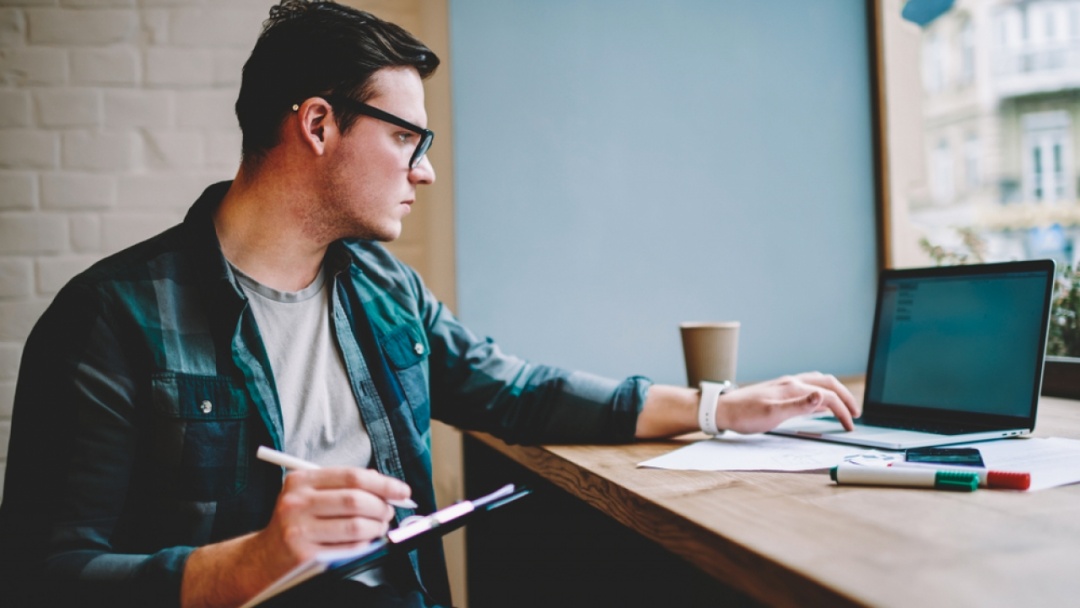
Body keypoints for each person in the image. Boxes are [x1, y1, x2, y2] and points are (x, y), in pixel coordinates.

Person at [0, 1, 860, 606]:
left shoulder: (386, 290)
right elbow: (46, 579)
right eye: (407, 138)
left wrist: (721, 407)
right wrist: (252, 563)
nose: (426, 171)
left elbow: (515, 391)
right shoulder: (107, 320)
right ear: (317, 126)